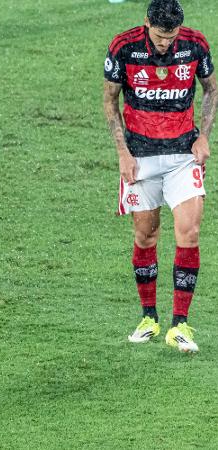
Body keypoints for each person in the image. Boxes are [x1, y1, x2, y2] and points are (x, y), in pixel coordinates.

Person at [103, 0, 217, 352]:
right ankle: (148, 317)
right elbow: (110, 100)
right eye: (159, 37)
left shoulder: (195, 44)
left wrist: (203, 136)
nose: (166, 43)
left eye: (171, 37)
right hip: (140, 157)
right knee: (145, 235)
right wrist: (122, 153)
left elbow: (212, 89)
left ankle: (180, 324)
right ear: (146, 24)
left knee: (190, 232)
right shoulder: (124, 47)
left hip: (183, 155)